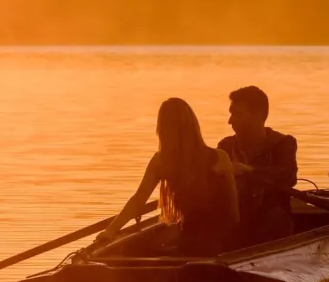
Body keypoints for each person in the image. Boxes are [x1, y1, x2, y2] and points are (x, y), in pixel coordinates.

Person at [95, 97, 241, 256]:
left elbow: (138, 199)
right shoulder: (220, 157)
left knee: (143, 250)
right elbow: (234, 215)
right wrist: (110, 231)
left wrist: (111, 231)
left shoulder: (162, 162)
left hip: (209, 243)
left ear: (162, 129)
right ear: (193, 126)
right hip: (213, 240)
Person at [217, 86, 298, 244]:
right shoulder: (225, 146)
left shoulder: (283, 144)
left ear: (258, 115)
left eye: (237, 114)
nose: (230, 121)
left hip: (271, 223)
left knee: (275, 216)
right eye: (231, 113)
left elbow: (287, 178)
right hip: (236, 219)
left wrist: (248, 171)